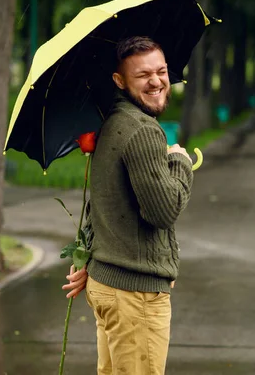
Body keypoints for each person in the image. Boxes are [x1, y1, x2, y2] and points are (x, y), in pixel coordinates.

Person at [62, 36, 194, 374]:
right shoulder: (143, 131)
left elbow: (103, 201)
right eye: (142, 75)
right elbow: (163, 212)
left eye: (161, 71)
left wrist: (88, 259)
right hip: (135, 297)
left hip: (108, 288)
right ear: (119, 81)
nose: (156, 81)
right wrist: (180, 163)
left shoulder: (111, 121)